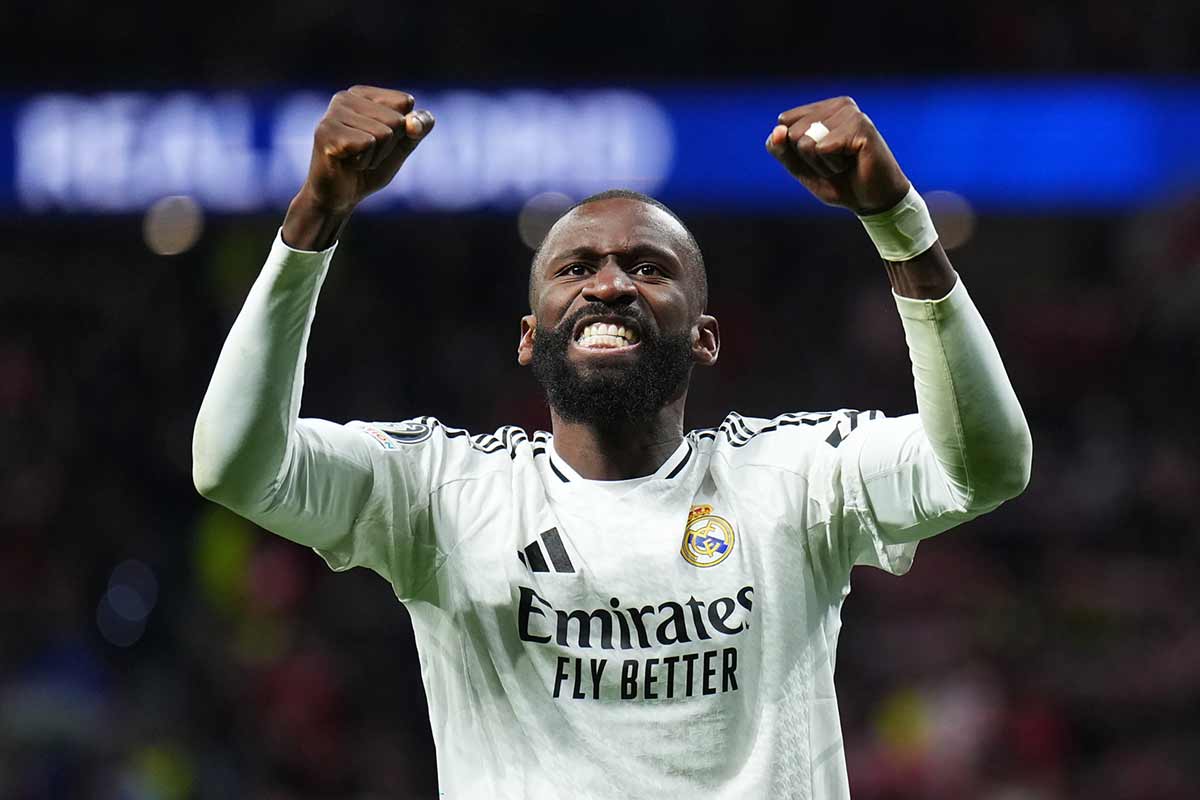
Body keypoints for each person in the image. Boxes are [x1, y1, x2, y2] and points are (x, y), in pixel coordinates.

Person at [192, 85, 1032, 799]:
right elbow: (235, 467)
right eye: (575, 268)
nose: (609, 284)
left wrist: (897, 222)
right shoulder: (444, 491)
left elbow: (987, 467)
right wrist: (315, 216)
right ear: (530, 338)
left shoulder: (793, 475)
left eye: (649, 267)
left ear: (705, 338)